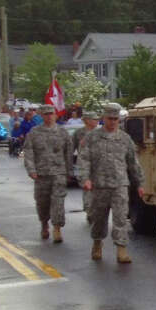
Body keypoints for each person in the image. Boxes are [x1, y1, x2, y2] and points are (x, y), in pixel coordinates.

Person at [78, 104, 144, 264]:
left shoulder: (125, 139)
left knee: (120, 217)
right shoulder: (92, 137)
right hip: (99, 185)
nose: (113, 122)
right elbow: (84, 159)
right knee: (99, 218)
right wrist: (85, 178)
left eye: (116, 119)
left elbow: (133, 163)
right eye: (110, 118)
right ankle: (97, 243)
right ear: (103, 118)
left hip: (120, 184)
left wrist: (140, 183)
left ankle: (121, 249)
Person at [22, 105, 72, 242]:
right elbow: (29, 152)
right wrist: (31, 170)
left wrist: (69, 171)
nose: (49, 116)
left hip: (58, 173)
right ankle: (44, 224)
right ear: (41, 116)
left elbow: (68, 152)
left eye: (51, 114)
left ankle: (57, 228)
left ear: (55, 115)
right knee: (42, 203)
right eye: (46, 114)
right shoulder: (34, 133)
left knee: (58, 201)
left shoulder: (63, 132)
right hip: (41, 174)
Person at [73, 111, 101, 221]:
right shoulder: (79, 133)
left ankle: (97, 211)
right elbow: (71, 148)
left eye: (97, 119)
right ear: (87, 120)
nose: (97, 121)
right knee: (87, 189)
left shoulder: (100, 132)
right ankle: (89, 211)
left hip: (99, 165)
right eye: (94, 119)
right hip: (84, 165)